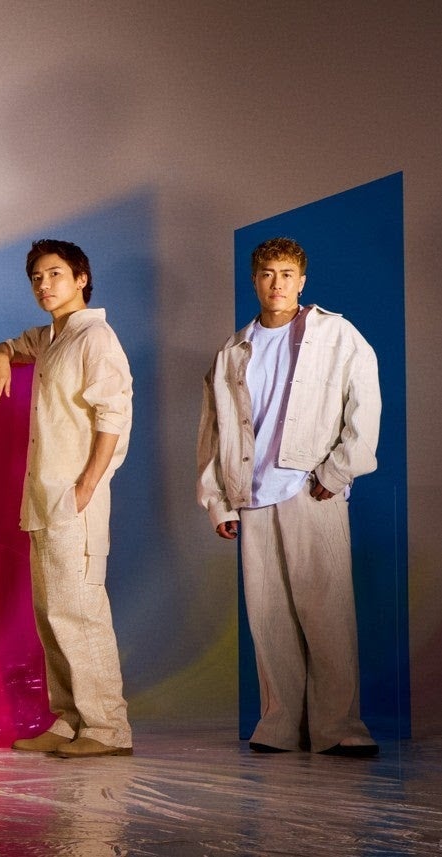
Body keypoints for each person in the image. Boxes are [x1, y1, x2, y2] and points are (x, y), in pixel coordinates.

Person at [196, 237, 380, 757]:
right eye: (266, 274)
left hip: (309, 487)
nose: (276, 284)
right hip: (251, 493)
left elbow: (365, 406)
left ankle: (339, 726)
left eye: (286, 274)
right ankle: (279, 724)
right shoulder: (233, 350)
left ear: (302, 281)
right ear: (254, 281)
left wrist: (337, 471)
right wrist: (218, 499)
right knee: (269, 617)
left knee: (327, 612)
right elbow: (213, 430)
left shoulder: (335, 334)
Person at [0, 238, 133, 758]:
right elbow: (11, 345)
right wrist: (1, 355)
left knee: (81, 613)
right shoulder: (50, 338)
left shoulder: (95, 337)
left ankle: (107, 728)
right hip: (43, 497)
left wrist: (88, 483)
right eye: (37, 278)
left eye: (55, 275)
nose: (44, 285)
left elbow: (114, 415)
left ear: (81, 279)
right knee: (52, 615)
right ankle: (69, 720)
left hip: (74, 498)